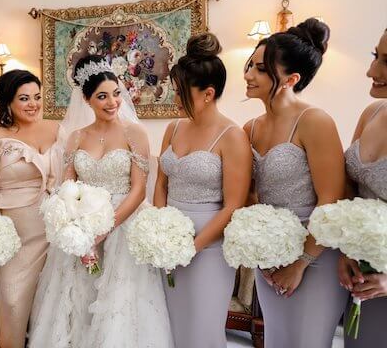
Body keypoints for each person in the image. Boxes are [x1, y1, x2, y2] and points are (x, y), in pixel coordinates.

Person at [29, 55, 173, 348]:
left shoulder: (135, 133)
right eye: (102, 96)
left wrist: (104, 229)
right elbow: (68, 185)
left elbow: (138, 188)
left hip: (125, 223)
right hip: (83, 225)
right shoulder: (76, 137)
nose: (112, 102)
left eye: (117, 94)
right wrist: (77, 230)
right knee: (79, 297)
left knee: (120, 302)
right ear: (87, 99)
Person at [243, 18, 348, 347]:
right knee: (276, 339)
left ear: (291, 79)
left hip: (314, 253)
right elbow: (250, 195)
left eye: (260, 69)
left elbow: (331, 198)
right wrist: (261, 245)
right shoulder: (250, 128)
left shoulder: (314, 121)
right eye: (250, 65)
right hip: (270, 255)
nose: (247, 75)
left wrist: (301, 262)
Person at [155, 33, 251, 347]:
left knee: (202, 328)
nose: (175, 98)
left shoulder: (232, 136)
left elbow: (233, 205)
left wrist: (192, 247)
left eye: (181, 92)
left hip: (208, 246)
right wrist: (159, 231)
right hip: (168, 242)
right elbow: (162, 183)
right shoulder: (174, 128)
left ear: (208, 93)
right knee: (171, 325)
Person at [0, 70, 63, 348]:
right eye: (24, 98)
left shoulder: (57, 129)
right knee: (13, 301)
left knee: (52, 300)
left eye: (37, 97)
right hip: (14, 234)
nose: (33, 104)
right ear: (8, 102)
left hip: (56, 228)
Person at [340, 28, 387, 348]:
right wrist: (343, 250)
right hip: (359, 275)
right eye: (376, 56)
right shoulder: (371, 113)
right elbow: (349, 189)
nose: (372, 70)